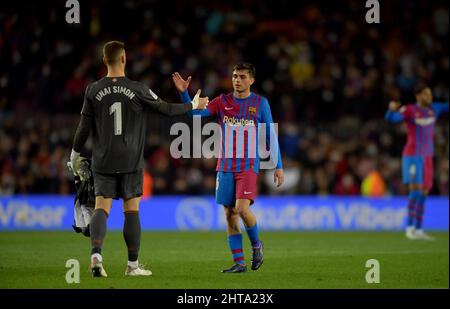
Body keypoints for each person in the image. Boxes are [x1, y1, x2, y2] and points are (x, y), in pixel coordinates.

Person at [70, 41, 208, 277]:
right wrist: (192, 105)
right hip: (130, 160)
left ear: (105, 60)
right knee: (131, 211)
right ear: (124, 59)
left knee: (101, 208)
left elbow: (84, 126)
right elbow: (165, 109)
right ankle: (132, 266)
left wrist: (74, 152)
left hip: (103, 159)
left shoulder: (93, 89)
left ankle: (96, 257)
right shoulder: (137, 88)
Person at [172, 63, 284, 273]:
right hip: (225, 166)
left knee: (242, 209)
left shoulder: (260, 103)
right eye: (234, 76)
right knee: (229, 214)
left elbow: (270, 135)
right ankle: (239, 263)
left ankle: (257, 246)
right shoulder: (222, 101)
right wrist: (184, 94)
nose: (237, 80)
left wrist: (278, 165)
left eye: (242, 76)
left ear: (251, 80)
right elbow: (194, 115)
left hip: (248, 165)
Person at [385, 83, 448, 240]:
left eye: (430, 94)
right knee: (415, 191)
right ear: (418, 96)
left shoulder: (435, 108)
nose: (429, 97)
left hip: (427, 156)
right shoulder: (410, 110)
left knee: (424, 193)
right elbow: (391, 118)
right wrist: (391, 108)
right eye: (426, 94)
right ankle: (409, 228)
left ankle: (419, 229)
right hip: (412, 156)